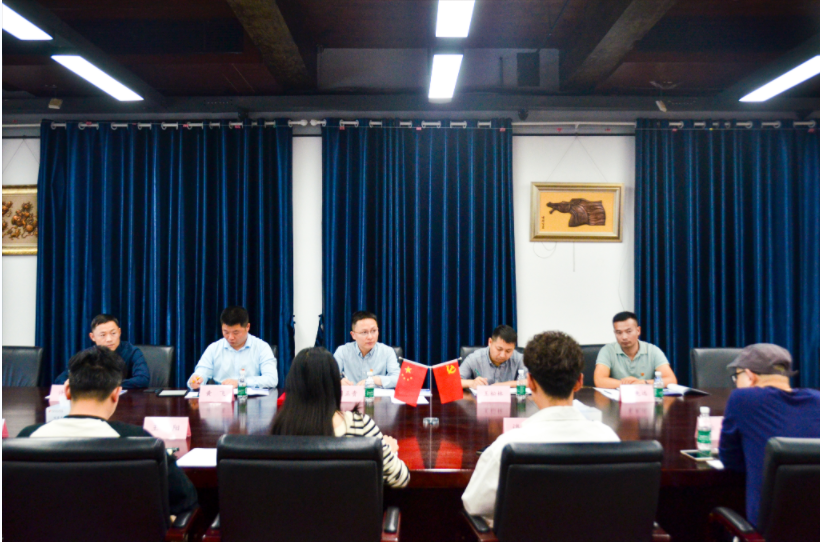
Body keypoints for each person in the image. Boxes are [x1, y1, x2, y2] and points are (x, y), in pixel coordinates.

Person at [19, 346, 198, 516]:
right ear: (116, 393)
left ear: (67, 391)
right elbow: (185, 499)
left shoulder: (27, 438)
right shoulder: (139, 440)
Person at [462, 331, 620, 523]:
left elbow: (474, 505)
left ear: (530, 382)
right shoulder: (608, 439)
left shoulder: (507, 446)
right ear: (579, 382)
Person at [271, 347, 410, 488]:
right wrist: (386, 450)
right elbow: (401, 478)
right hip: (348, 503)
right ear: (334, 384)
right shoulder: (360, 425)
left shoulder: (281, 427)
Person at [719, 343, 820, 528]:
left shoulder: (742, 399)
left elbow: (731, 460)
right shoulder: (817, 400)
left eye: (737, 376)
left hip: (767, 530)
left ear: (750, 376)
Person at [188, 306, 278, 389]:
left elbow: (272, 379)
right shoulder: (214, 348)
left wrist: (241, 382)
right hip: (221, 397)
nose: (230, 337)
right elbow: (201, 373)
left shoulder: (262, 347)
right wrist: (195, 381)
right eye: (226, 332)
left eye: (236, 333)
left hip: (252, 398)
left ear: (247, 327)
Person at [54, 314, 149, 389]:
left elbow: (143, 379)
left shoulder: (132, 352)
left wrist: (103, 385)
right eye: (103, 335)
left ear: (119, 332)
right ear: (92, 337)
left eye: (113, 333)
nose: (109, 339)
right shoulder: (87, 355)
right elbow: (60, 380)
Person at [594, 311, 677, 389]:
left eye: (628, 331)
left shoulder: (653, 351)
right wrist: (630, 384)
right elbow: (599, 380)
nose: (624, 337)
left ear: (638, 331)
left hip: (645, 397)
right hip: (617, 398)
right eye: (619, 332)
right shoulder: (607, 351)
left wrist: (643, 383)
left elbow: (671, 380)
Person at [334, 311, 400, 389]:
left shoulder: (387, 351)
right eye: (364, 332)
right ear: (353, 335)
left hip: (376, 395)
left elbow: (398, 378)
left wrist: (375, 379)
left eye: (373, 331)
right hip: (351, 395)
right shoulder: (342, 351)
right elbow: (329, 376)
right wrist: (339, 381)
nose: (370, 337)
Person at [460, 325, 525, 389]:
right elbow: (455, 381)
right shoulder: (475, 358)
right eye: (499, 349)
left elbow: (530, 381)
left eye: (508, 351)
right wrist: (472, 383)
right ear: (490, 342)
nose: (502, 355)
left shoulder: (519, 358)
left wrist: (505, 385)